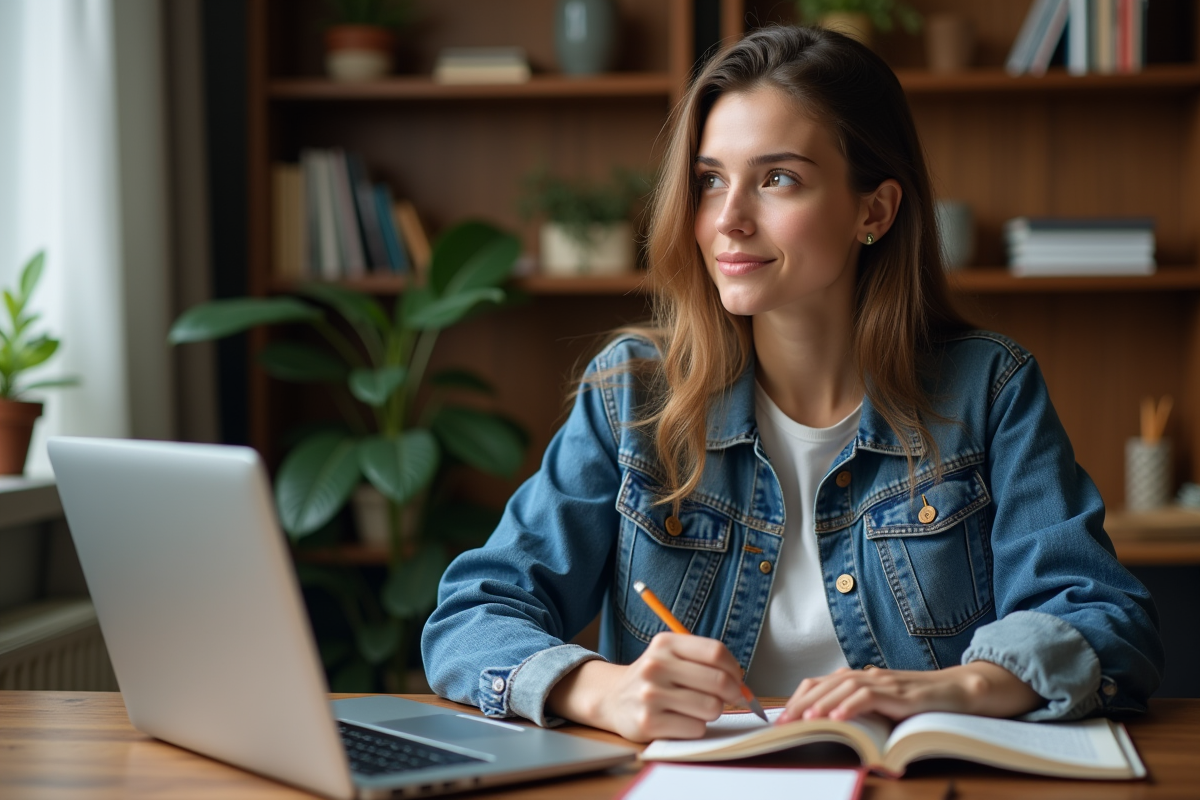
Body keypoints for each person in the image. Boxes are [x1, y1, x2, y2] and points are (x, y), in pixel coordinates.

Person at [421, 25, 1163, 743]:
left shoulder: (988, 388)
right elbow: (469, 617)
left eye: (777, 178)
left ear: (874, 210)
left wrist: (960, 687)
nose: (728, 221)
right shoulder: (632, 396)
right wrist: (600, 689)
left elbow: (1105, 619)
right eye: (710, 181)